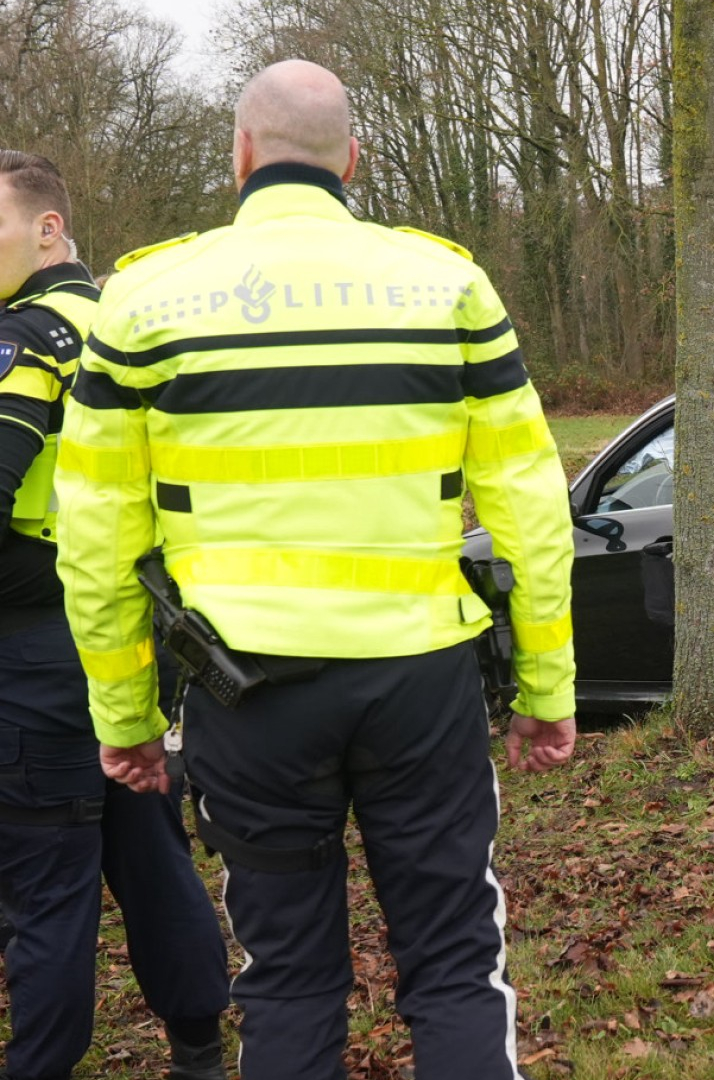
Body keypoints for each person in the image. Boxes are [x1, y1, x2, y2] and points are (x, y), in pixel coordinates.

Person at [54, 61, 578, 1078]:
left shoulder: (143, 299)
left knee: (289, 975)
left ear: (240, 156)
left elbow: (97, 538)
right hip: (421, 683)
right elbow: (530, 507)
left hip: (247, 691)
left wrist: (123, 719)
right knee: (457, 966)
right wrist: (549, 687)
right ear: (354, 160)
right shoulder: (450, 286)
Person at [0, 151, 230, 1080]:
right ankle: (200, 1047)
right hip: (137, 632)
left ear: (47, 228)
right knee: (146, 847)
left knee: (47, 883)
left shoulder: (31, 335)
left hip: (39, 647)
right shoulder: (133, 325)